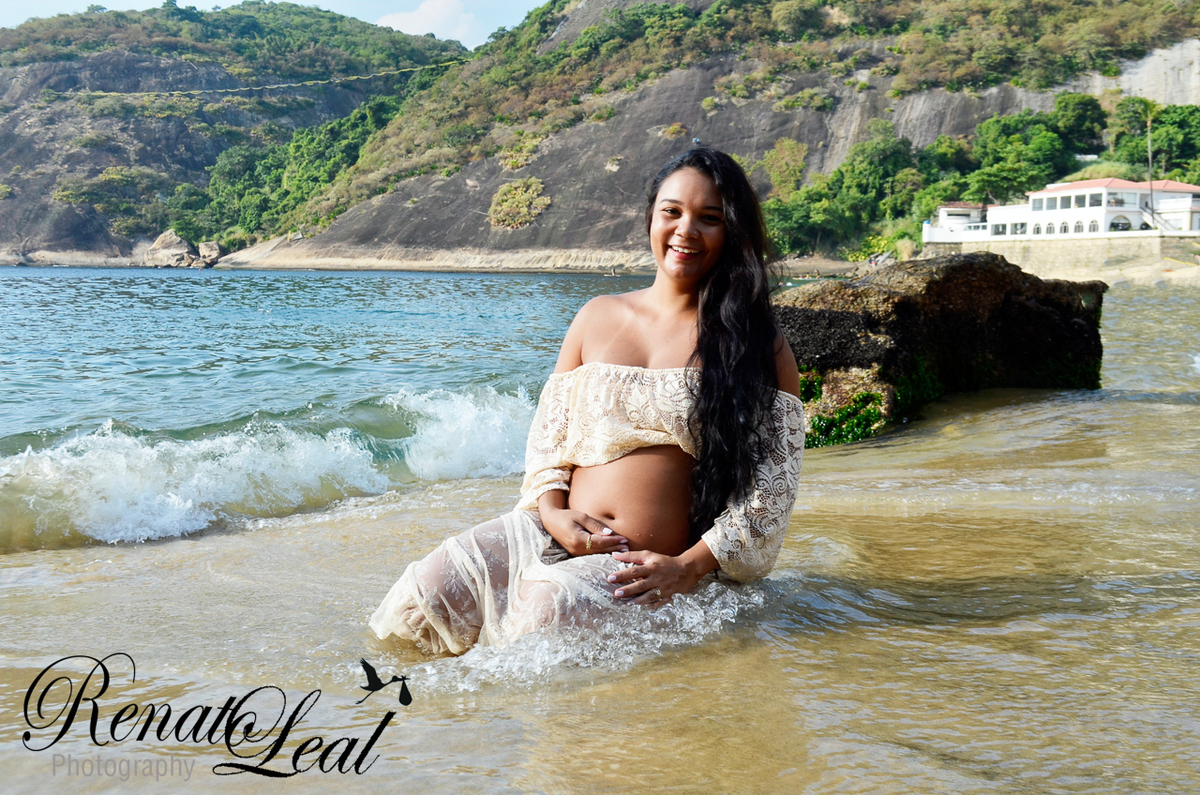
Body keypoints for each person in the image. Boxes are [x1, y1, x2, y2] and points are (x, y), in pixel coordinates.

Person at [369, 147, 806, 655]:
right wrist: (553, 513)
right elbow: (548, 442)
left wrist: (687, 568)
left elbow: (771, 490)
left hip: (657, 563)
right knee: (426, 596)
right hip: (550, 530)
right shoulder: (596, 316)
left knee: (545, 610)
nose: (686, 230)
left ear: (732, 233)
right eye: (672, 211)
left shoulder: (756, 342)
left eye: (709, 218)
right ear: (651, 218)